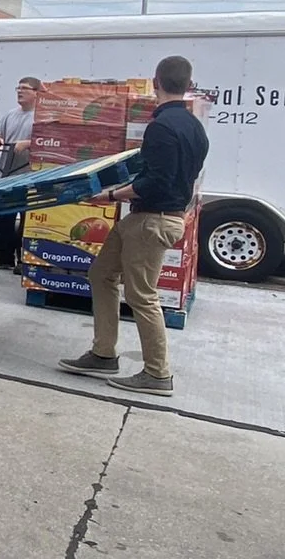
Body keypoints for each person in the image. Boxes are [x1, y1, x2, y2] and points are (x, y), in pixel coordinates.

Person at [59, 55, 209, 395]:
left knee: (142, 296)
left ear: (155, 82)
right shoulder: (194, 127)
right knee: (101, 275)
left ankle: (157, 374)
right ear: (188, 85)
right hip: (148, 218)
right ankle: (103, 354)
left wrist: (109, 195)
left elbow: (154, 182)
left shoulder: (161, 127)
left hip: (153, 220)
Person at [0, 76, 41, 267]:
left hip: (28, 175)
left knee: (28, 220)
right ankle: (3, 258)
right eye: (18, 88)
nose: (20, 91)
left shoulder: (40, 117)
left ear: (37, 93)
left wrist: (27, 143)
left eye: (25, 88)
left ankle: (23, 259)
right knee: (4, 218)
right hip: (6, 174)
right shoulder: (11, 115)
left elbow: (48, 142)